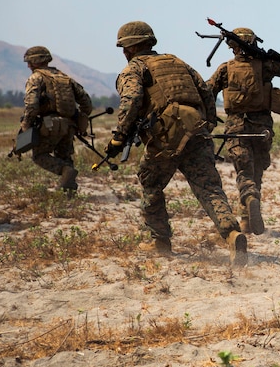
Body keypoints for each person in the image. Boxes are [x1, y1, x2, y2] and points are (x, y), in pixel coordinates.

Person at [105, 20, 247, 265]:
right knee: (209, 188)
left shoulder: (133, 69)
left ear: (128, 48)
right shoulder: (178, 62)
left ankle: (159, 241)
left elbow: (132, 100)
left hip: (166, 136)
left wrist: (118, 137)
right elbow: (205, 92)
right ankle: (232, 234)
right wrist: (209, 124)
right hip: (198, 130)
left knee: (150, 182)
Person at [207, 26, 280, 234]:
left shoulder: (225, 69)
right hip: (262, 129)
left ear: (232, 47)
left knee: (244, 171)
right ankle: (247, 218)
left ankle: (249, 202)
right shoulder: (266, 66)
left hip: (236, 127)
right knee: (257, 171)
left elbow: (206, 91)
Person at [18, 46, 93, 192]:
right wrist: (80, 120)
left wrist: (26, 125)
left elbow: (31, 104)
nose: (28, 65)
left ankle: (65, 171)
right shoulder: (65, 77)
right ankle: (69, 190)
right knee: (64, 155)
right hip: (69, 125)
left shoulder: (36, 78)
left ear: (35, 61)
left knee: (40, 155)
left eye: (29, 62)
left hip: (49, 125)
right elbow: (87, 103)